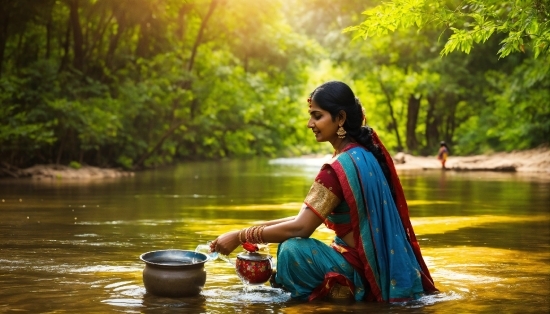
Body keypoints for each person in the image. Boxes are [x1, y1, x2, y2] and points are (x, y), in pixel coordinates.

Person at [210, 81, 438, 302]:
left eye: (317, 116)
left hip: (361, 272)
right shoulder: (363, 155)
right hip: (379, 268)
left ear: (340, 118)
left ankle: (340, 293)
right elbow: (305, 218)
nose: (310, 123)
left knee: (292, 250)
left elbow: (302, 227)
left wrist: (240, 237)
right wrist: (248, 231)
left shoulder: (337, 168)